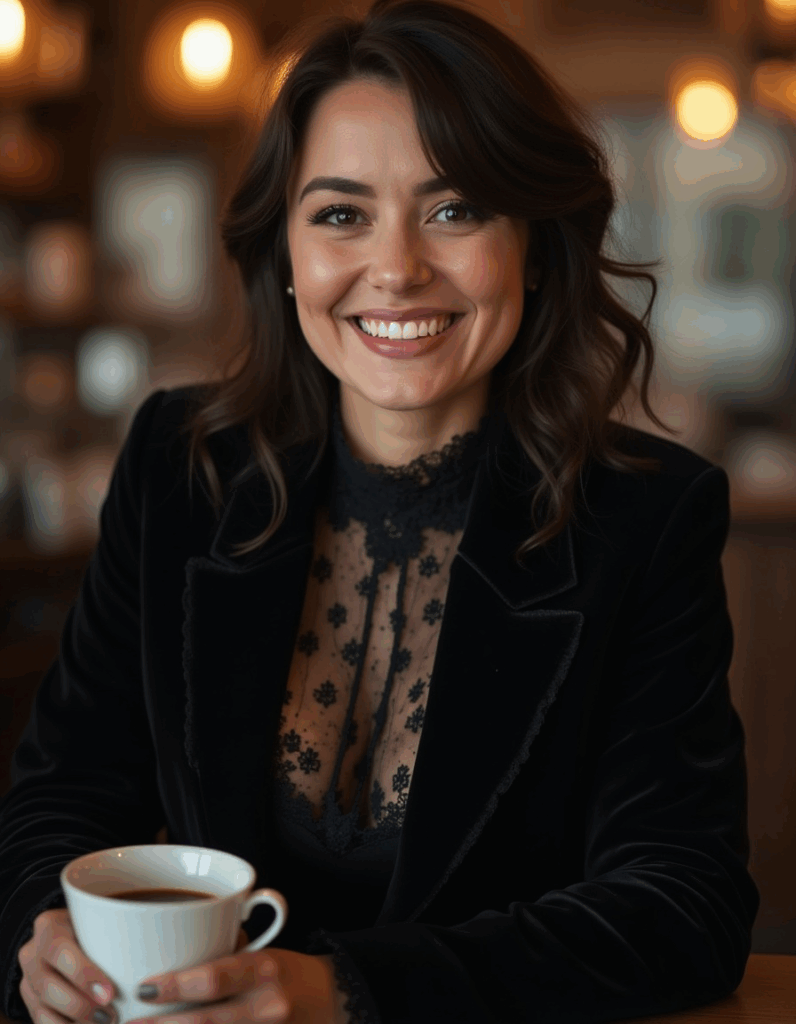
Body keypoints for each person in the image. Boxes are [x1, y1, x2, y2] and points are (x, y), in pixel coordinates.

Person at [0, 0, 759, 1022]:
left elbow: (682, 905)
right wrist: (44, 924)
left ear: (532, 244)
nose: (395, 267)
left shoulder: (645, 519)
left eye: (454, 210)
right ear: (285, 253)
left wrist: (345, 991)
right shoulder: (180, 469)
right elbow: (61, 794)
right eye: (341, 213)